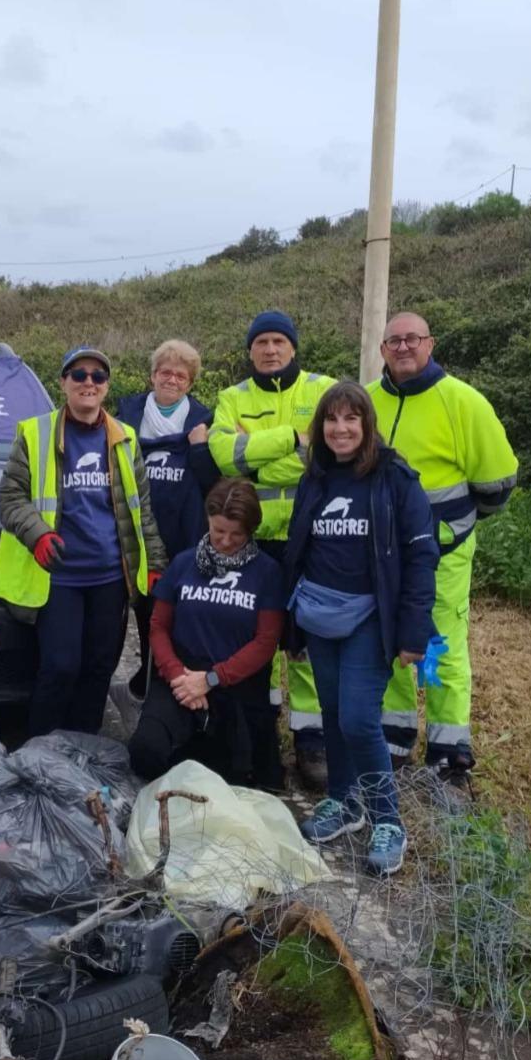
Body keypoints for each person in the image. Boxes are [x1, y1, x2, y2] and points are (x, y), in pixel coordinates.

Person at [284, 381, 438, 876]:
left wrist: (413, 632)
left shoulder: (395, 478)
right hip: (319, 613)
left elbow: (421, 556)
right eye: (332, 420)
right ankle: (344, 803)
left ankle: (387, 819)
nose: (341, 428)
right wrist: (292, 626)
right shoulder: (316, 477)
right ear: (320, 427)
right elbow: (298, 550)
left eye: (351, 419)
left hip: (369, 618)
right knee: (331, 712)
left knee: (357, 719)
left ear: (367, 425)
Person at [0, 346, 167, 736]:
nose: (89, 383)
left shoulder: (126, 438)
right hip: (60, 578)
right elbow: (11, 497)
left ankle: (83, 750)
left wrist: (153, 566)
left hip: (109, 578)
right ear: (64, 383)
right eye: (79, 375)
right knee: (61, 666)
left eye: (98, 376)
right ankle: (40, 751)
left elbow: (142, 511)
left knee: (99, 668)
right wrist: (38, 534)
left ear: (106, 387)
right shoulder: (35, 434)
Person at [368, 312, 517, 779]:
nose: (404, 347)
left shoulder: (463, 402)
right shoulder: (367, 402)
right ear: (382, 350)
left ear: (430, 344)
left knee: (443, 648)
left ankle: (450, 754)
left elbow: (497, 483)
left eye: (413, 338)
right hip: (380, 557)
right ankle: (394, 740)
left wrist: (450, 529)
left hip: (444, 555)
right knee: (387, 643)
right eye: (394, 340)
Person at [208, 311, 335, 790]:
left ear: (294, 347)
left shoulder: (323, 390)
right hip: (253, 539)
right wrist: (290, 441)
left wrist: (257, 460)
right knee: (251, 639)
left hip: (310, 537)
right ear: (250, 351)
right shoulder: (231, 397)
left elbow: (325, 455)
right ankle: (254, 736)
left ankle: (310, 741)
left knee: (303, 642)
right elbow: (226, 457)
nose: (270, 349)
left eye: (279, 340)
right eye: (261, 341)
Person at [127, 477, 286, 789]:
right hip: (181, 679)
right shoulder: (184, 564)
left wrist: (211, 679)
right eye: (218, 531)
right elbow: (158, 627)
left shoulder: (267, 572)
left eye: (236, 534)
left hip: (234, 684)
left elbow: (266, 642)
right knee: (145, 752)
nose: (225, 541)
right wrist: (177, 676)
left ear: (250, 530)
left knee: (229, 781)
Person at [115, 340, 221, 698]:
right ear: (152, 376)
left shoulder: (203, 420)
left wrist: (200, 448)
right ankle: (146, 670)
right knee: (139, 612)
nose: (172, 379)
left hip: (183, 533)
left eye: (181, 375)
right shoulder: (125, 416)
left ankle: (171, 680)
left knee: (175, 610)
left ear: (190, 383)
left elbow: (213, 483)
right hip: (134, 531)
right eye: (165, 372)